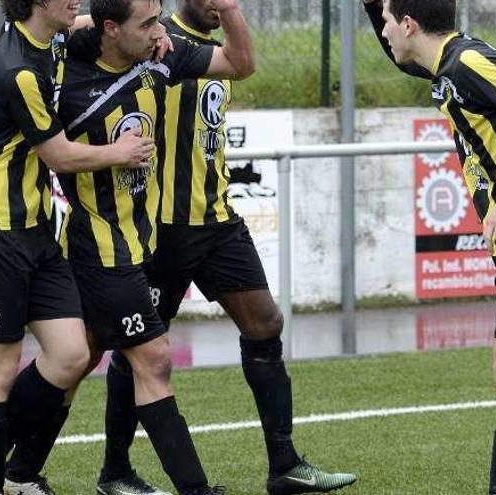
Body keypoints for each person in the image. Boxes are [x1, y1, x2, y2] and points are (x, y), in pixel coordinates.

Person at [95, 2, 358, 494]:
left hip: (217, 220)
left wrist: (232, 11)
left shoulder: (217, 42)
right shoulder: (154, 38)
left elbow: (244, 63)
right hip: (160, 229)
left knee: (265, 323)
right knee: (137, 351)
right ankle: (115, 471)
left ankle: (284, 465)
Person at [0, 0, 159, 494]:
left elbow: (93, 23)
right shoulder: (16, 68)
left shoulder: (47, 37)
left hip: (36, 228)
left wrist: (156, 33)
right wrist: (118, 153)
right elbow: (57, 153)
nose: (77, 2)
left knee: (70, 354)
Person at [362, 0, 496, 493]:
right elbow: (399, 55)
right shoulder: (446, 64)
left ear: (408, 24)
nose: (384, 33)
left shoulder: (466, 62)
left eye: (386, 21)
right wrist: (370, 4)